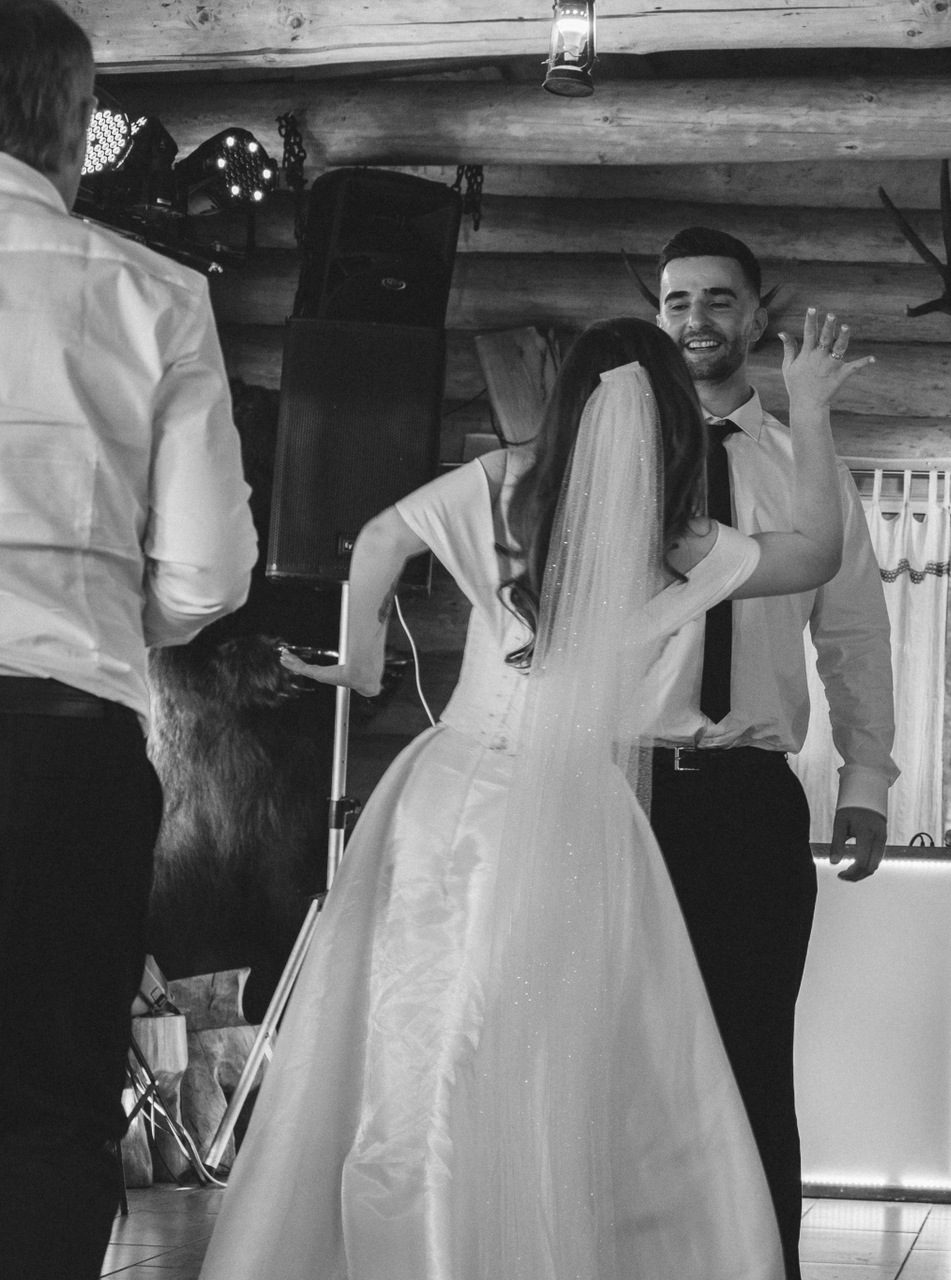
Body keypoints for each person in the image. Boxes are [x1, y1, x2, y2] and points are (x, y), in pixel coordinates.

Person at [200, 314, 871, 1280]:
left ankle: (419, 1239)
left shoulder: (501, 482)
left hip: (454, 793)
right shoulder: (674, 534)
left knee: (424, 1032)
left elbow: (381, 537)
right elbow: (815, 554)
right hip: (579, 808)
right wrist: (808, 408)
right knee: (557, 1048)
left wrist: (364, 663)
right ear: (669, 412)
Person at [0, 4, 256, 1277]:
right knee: (44, 1108)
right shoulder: (155, 294)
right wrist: (88, 613)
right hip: (61, 743)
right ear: (76, 126)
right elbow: (208, 572)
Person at [651, 226, 898, 1278]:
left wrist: (867, 778)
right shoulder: (618, 461)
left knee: (752, 1058)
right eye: (677, 301)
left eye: (718, 299)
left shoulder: (809, 465)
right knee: (626, 1060)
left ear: (756, 315)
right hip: (625, 792)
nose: (696, 318)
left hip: (751, 796)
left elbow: (855, 633)